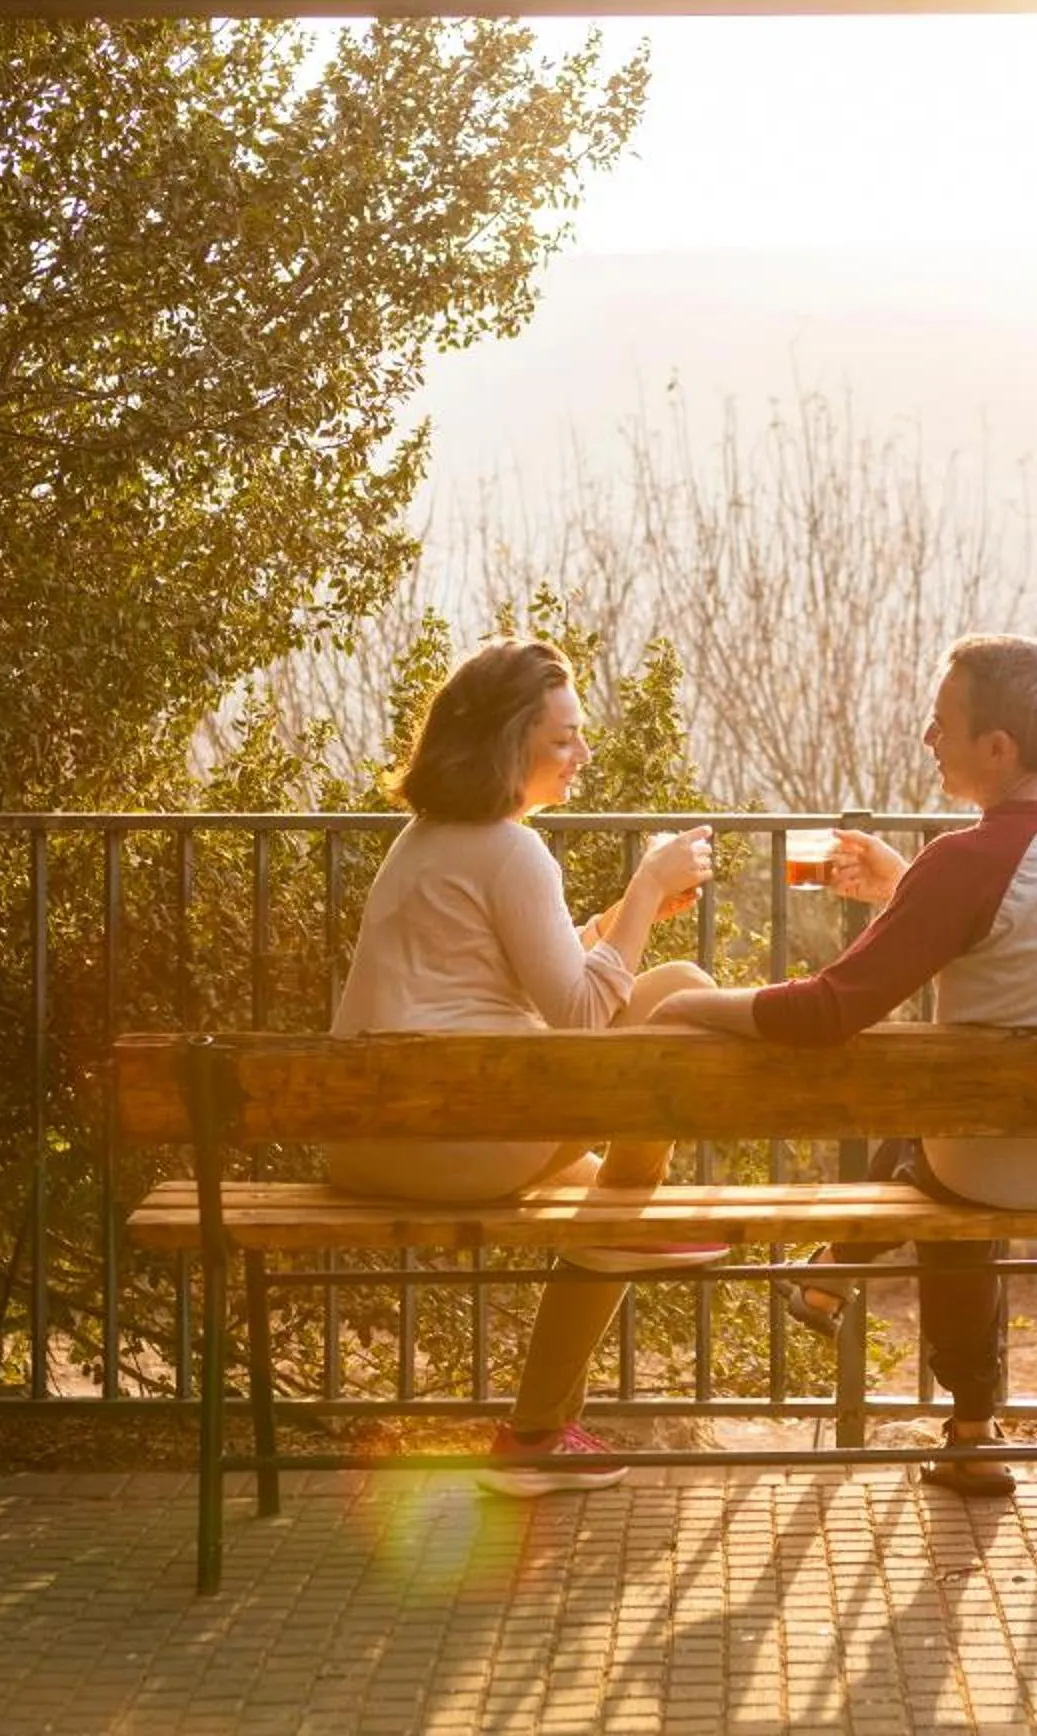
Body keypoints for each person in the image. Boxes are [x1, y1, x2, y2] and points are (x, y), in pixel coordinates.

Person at [651, 634, 1037, 1495]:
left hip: (999, 1163)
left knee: (945, 1171)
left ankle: (874, 1317)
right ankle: (959, 1418)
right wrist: (908, 888)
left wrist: (686, 1002)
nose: (929, 739)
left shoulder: (964, 863)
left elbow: (827, 1012)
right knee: (943, 1144)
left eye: (942, 727)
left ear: (996, 749)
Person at [325, 635, 722, 1498]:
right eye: (563, 739)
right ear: (511, 745)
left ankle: (536, 1433)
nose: (582, 754)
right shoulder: (511, 850)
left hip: (374, 1140)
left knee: (600, 1213)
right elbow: (579, 1016)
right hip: (452, 1145)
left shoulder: (427, 839)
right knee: (684, 988)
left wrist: (616, 916)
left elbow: (539, 980)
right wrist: (647, 895)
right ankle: (632, 1212)